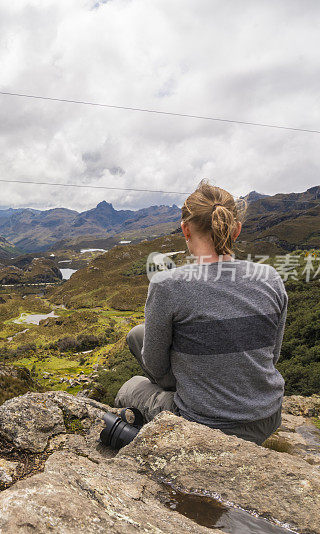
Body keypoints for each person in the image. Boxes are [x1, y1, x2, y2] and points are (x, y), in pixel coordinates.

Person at [115, 181, 287, 445]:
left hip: (202, 421)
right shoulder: (270, 278)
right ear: (236, 230)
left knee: (131, 388)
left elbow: (156, 365)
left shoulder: (168, 285)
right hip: (267, 417)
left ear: (185, 229)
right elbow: (272, 356)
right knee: (138, 334)